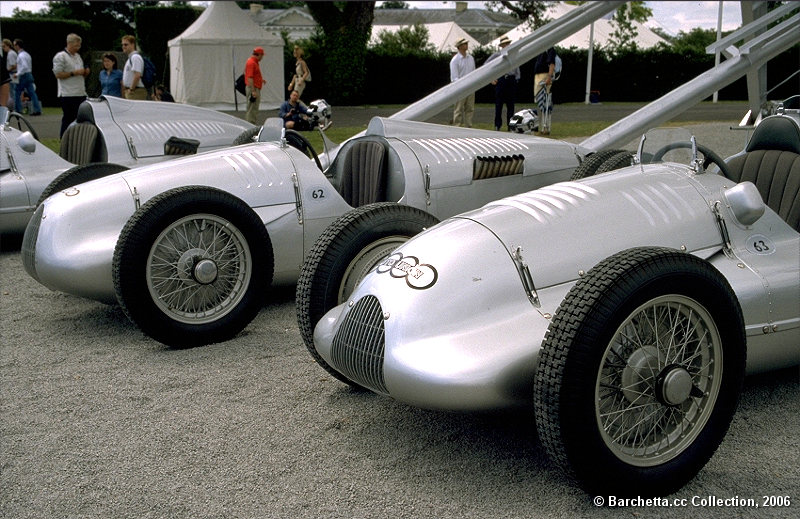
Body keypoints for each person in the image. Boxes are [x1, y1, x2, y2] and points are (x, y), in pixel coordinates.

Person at [53, 33, 90, 136]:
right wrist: (74, 73)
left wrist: (85, 72)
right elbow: (58, 74)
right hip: (68, 94)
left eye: (79, 45)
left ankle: (76, 138)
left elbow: (81, 73)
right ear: (69, 43)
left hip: (80, 92)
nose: (78, 48)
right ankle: (64, 139)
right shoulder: (61, 56)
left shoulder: (78, 56)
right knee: (68, 119)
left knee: (79, 119)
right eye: (76, 46)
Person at [487, 35, 519, 131]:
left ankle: (510, 126)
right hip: (501, 79)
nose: (507, 45)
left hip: (511, 79)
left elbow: (517, 66)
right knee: (499, 104)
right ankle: (498, 125)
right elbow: (486, 65)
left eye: (508, 43)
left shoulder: (513, 55)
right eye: (505, 44)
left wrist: (517, 77)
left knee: (510, 105)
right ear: (502, 45)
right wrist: (491, 78)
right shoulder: (497, 55)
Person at [449, 37, 475, 127]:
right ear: (459, 47)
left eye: (466, 43)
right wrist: (462, 86)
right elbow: (454, 78)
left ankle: (469, 127)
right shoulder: (455, 60)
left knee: (470, 109)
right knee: (458, 109)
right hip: (460, 89)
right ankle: (457, 127)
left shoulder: (471, 58)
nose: (466, 45)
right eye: (464, 44)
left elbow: (473, 72)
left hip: (470, 87)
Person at [13, 39, 42, 116]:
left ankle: (18, 109)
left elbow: (24, 66)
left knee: (17, 92)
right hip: (29, 74)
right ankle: (37, 109)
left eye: (15, 45)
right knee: (32, 93)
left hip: (23, 75)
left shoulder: (20, 55)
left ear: (18, 46)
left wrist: (18, 74)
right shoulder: (27, 54)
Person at [533, 47, 556, 135]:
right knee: (541, 103)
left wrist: (549, 77)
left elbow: (552, 63)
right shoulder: (541, 48)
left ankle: (546, 127)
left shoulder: (550, 48)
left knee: (546, 103)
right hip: (538, 76)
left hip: (545, 76)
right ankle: (543, 126)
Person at [121, 35, 147, 100]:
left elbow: (137, 75)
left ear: (132, 45)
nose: (123, 47)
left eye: (126, 44)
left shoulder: (135, 57)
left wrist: (131, 89)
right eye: (123, 45)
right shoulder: (130, 58)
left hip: (136, 91)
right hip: (132, 90)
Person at [244, 46, 265, 124]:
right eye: (262, 55)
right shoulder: (251, 62)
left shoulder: (254, 62)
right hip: (253, 88)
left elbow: (253, 75)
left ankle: (251, 123)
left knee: (254, 108)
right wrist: (253, 91)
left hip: (255, 87)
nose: (262, 57)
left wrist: (261, 80)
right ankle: (250, 124)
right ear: (258, 54)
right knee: (252, 108)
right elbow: (250, 77)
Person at [3, 39, 18, 110]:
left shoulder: (11, 54)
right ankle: (15, 107)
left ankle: (15, 107)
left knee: (13, 92)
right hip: (13, 73)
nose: (3, 49)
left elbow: (14, 65)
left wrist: (7, 70)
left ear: (8, 46)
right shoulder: (12, 53)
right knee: (13, 92)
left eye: (4, 47)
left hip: (12, 74)